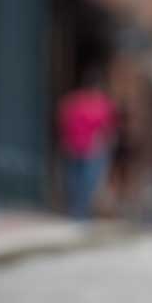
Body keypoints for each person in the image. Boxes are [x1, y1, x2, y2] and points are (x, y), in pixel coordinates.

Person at [56, 67, 118, 221]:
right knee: (87, 184)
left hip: (71, 147)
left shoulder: (72, 101)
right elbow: (108, 130)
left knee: (73, 182)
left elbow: (62, 121)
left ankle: (73, 212)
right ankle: (81, 215)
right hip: (91, 151)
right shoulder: (102, 105)